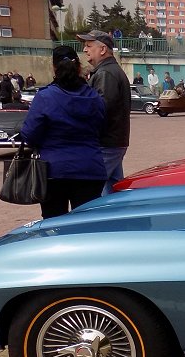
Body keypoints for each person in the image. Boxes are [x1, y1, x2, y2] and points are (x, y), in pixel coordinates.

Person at [20, 45, 107, 219]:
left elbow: (29, 134)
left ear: (54, 68)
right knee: (87, 226)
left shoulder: (45, 97)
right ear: (79, 67)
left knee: (53, 225)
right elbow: (102, 128)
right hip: (90, 168)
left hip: (54, 170)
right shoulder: (94, 97)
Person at [78, 29, 131, 195]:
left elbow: (101, 109)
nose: (85, 50)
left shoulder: (106, 73)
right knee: (113, 191)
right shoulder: (108, 71)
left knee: (90, 192)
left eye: (88, 46)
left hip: (106, 143)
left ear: (102, 49)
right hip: (112, 141)